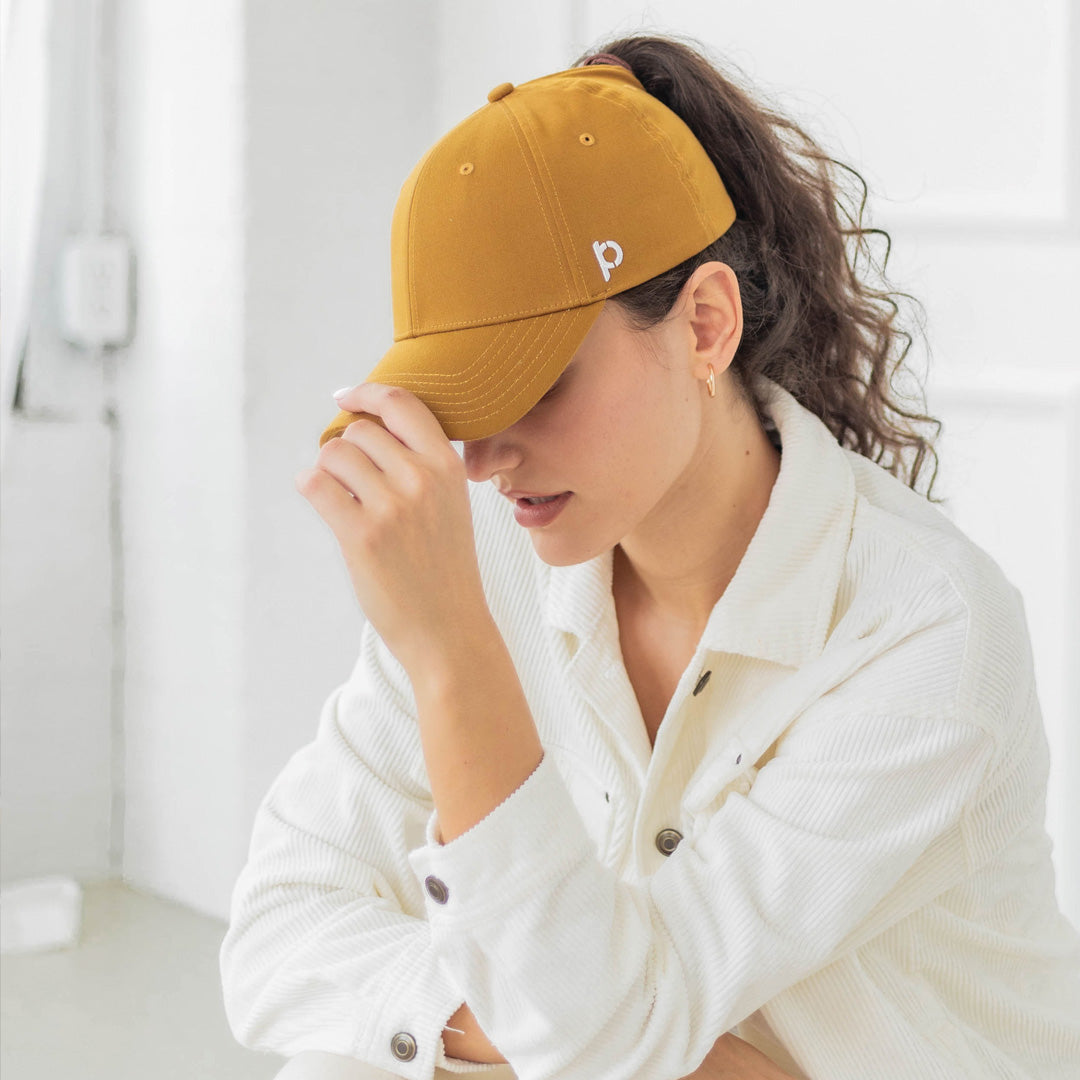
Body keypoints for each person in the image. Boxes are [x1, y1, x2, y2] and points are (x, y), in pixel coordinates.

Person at [219, 31, 1080, 1080]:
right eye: (459, 404)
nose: (483, 460)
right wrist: (644, 1051)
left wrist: (453, 656)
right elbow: (276, 931)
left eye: (532, 387)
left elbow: (607, 1032)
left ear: (705, 326)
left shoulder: (924, 626)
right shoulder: (496, 549)